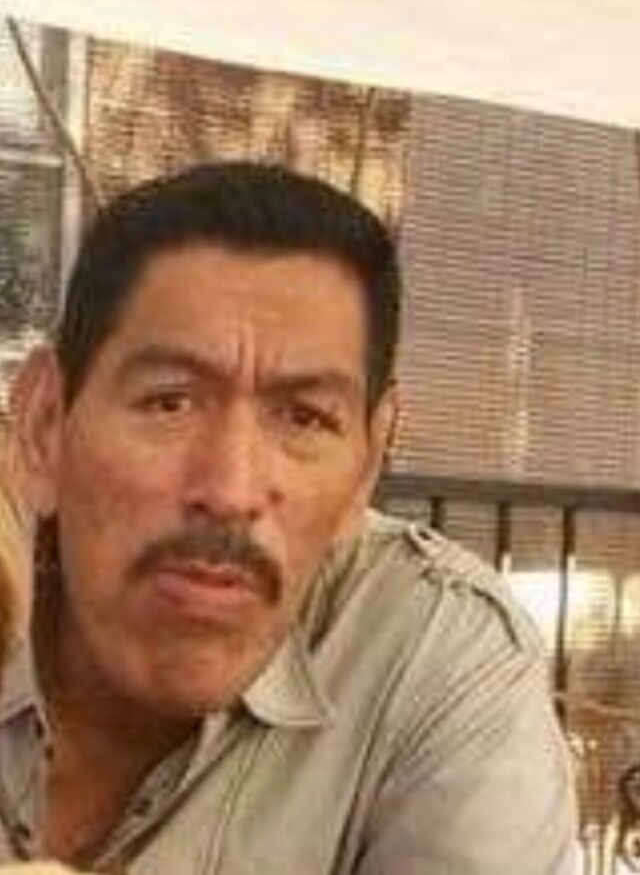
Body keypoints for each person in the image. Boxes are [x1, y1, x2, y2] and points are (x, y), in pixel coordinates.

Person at [0, 161, 576, 874]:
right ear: (45, 424)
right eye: (170, 402)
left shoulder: (436, 654)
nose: (231, 489)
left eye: (304, 418)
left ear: (368, 464)